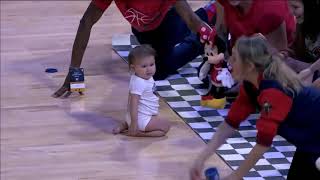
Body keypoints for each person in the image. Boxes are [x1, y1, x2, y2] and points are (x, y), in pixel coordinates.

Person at [190, 35, 320, 180]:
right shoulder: (252, 85)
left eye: (234, 58)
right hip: (310, 142)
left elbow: (263, 143)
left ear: (250, 66)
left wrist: (235, 176)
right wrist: (202, 157)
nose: (229, 62)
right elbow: (229, 123)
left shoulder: (273, 92)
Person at [52, 0, 217, 98]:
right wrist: (75, 73)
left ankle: (211, 11)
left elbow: (190, 18)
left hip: (168, 25)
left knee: (160, 69)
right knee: (156, 66)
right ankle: (209, 15)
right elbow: (86, 22)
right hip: (142, 31)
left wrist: (211, 38)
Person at [210, 0, 310, 72]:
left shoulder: (269, 8)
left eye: (295, 8)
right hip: (241, 58)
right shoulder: (224, 3)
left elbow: (280, 55)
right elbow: (219, 33)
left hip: (276, 61)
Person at [112, 45, 170, 137]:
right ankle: (138, 132)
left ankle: (125, 125)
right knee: (165, 126)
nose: (149, 69)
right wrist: (135, 123)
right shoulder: (140, 82)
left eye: (152, 64)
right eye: (144, 66)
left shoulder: (139, 77)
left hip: (134, 117)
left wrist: (131, 120)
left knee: (156, 118)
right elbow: (133, 102)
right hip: (140, 120)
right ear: (133, 68)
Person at [288, 0, 320, 87]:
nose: (291, 12)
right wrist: (285, 53)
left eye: (295, 7)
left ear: (310, 8)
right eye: (289, 7)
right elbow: (296, 47)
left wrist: (308, 69)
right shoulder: (302, 23)